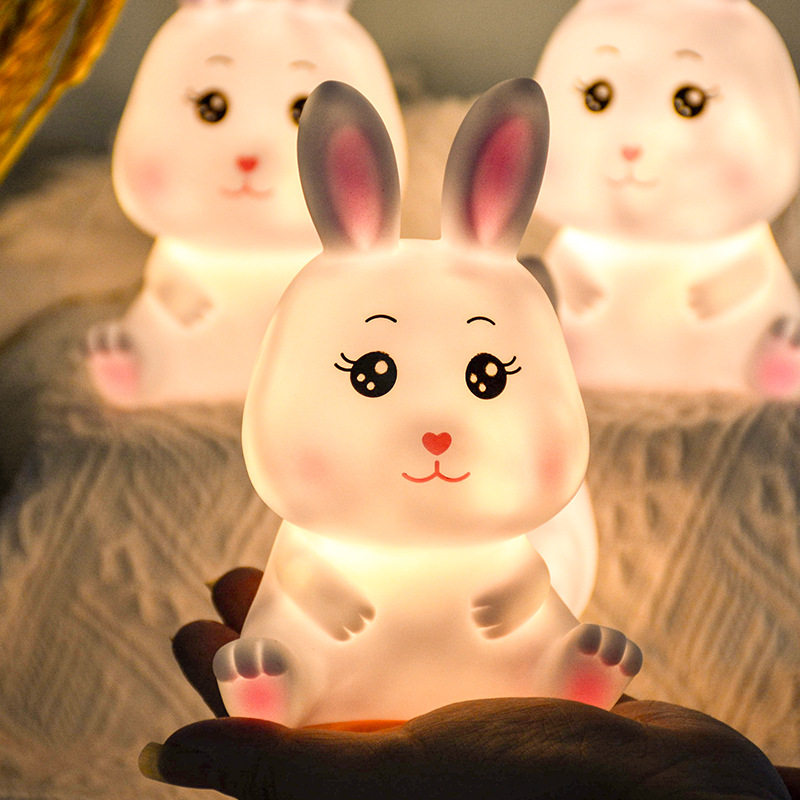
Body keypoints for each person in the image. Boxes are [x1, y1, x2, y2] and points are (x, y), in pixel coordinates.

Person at [140, 568, 799, 800]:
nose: (436, 434)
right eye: (372, 375)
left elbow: (528, 581)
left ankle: (568, 689)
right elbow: (301, 577)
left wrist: (517, 591)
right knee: (277, 643)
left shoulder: (504, 541)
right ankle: (276, 693)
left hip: (505, 697)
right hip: (334, 693)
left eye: (488, 375)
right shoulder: (314, 539)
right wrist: (316, 590)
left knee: (540, 633)